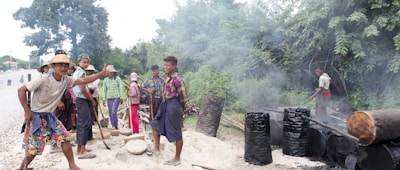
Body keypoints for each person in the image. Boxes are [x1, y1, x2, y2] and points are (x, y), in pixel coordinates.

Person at [17, 49, 108, 170]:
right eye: (60, 65)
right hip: (37, 117)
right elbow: (21, 90)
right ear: (53, 66)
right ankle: (23, 167)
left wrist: (100, 74)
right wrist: (27, 111)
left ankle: (72, 165)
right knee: (34, 149)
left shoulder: (66, 80)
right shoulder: (43, 79)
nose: (63, 68)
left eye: (66, 65)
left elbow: (84, 80)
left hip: (50, 116)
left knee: (65, 138)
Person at [150, 56, 187, 166]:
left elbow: (183, 98)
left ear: (174, 66)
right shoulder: (167, 78)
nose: (165, 67)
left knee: (176, 131)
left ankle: (177, 158)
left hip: (174, 106)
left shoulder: (178, 80)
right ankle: (156, 148)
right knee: (155, 124)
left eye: (168, 65)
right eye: (164, 65)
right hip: (165, 104)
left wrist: (181, 112)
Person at [72, 53, 96, 159]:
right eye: (84, 62)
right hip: (82, 100)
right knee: (85, 124)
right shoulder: (81, 73)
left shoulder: (76, 72)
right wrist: (92, 100)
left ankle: (80, 148)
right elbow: (83, 89)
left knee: (81, 124)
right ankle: (82, 151)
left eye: (87, 62)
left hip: (79, 100)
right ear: (79, 62)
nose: (86, 64)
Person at [101, 65, 126, 129]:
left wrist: (122, 97)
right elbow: (104, 90)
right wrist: (103, 99)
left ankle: (115, 124)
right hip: (109, 98)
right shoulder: (105, 80)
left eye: (112, 72)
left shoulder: (117, 79)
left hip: (116, 97)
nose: (111, 74)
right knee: (110, 112)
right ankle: (113, 125)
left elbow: (120, 88)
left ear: (114, 73)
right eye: (109, 72)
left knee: (113, 111)